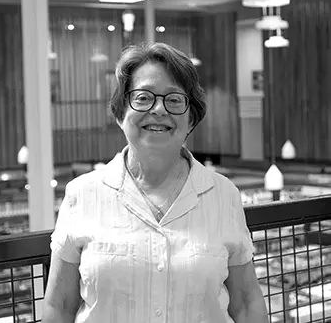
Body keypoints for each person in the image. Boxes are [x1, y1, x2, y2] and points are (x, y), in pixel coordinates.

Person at [42, 42, 269, 323]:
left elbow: (247, 302)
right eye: (143, 97)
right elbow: (59, 305)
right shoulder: (82, 194)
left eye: (174, 99)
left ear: (190, 119)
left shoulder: (223, 194)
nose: (159, 110)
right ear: (120, 112)